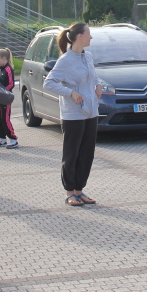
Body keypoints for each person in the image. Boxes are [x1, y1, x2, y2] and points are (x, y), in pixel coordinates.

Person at [43, 22, 102, 207]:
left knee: (87, 154)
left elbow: (93, 75)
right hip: (73, 115)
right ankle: (70, 192)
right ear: (80, 37)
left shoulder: (88, 56)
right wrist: (71, 93)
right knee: (72, 154)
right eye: (89, 34)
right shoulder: (65, 60)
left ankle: (80, 190)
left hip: (91, 113)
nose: (91, 37)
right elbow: (49, 83)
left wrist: (98, 84)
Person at [0, 48, 19, 148]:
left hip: (5, 98)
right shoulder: (1, 70)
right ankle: (2, 138)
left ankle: (13, 139)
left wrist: (3, 92)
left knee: (5, 119)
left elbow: (11, 84)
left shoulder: (8, 69)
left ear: (4, 59)